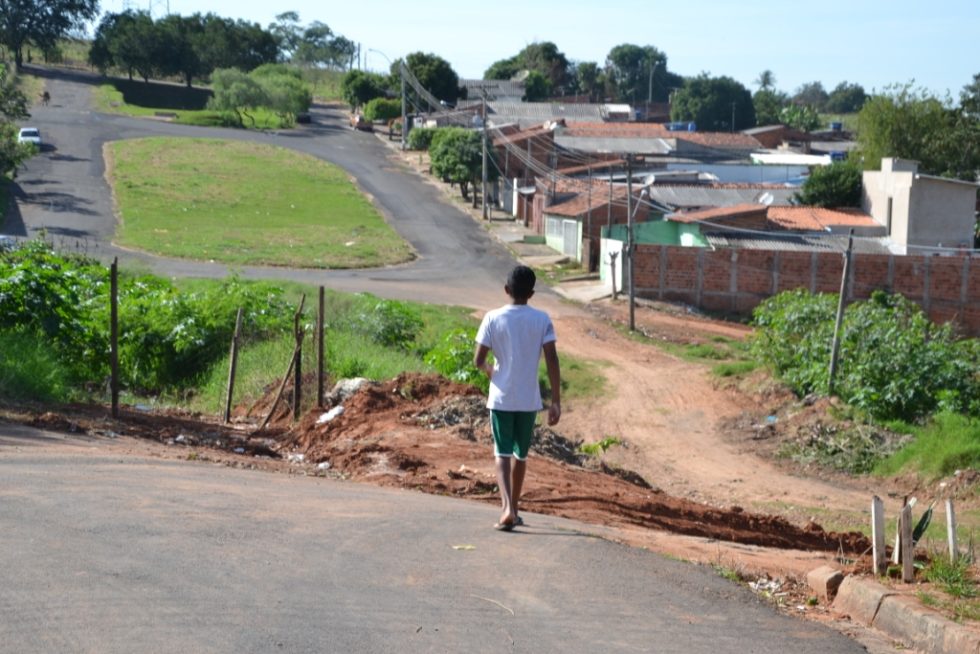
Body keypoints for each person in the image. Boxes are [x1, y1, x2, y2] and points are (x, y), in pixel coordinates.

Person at [474, 265, 560, 532]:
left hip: (501, 398)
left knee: (501, 453)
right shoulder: (542, 319)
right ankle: (516, 508)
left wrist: (490, 371)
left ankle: (507, 507)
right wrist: (556, 400)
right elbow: (552, 359)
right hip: (528, 400)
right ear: (531, 293)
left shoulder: (492, 318)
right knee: (520, 455)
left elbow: (479, 359)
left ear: (506, 290)